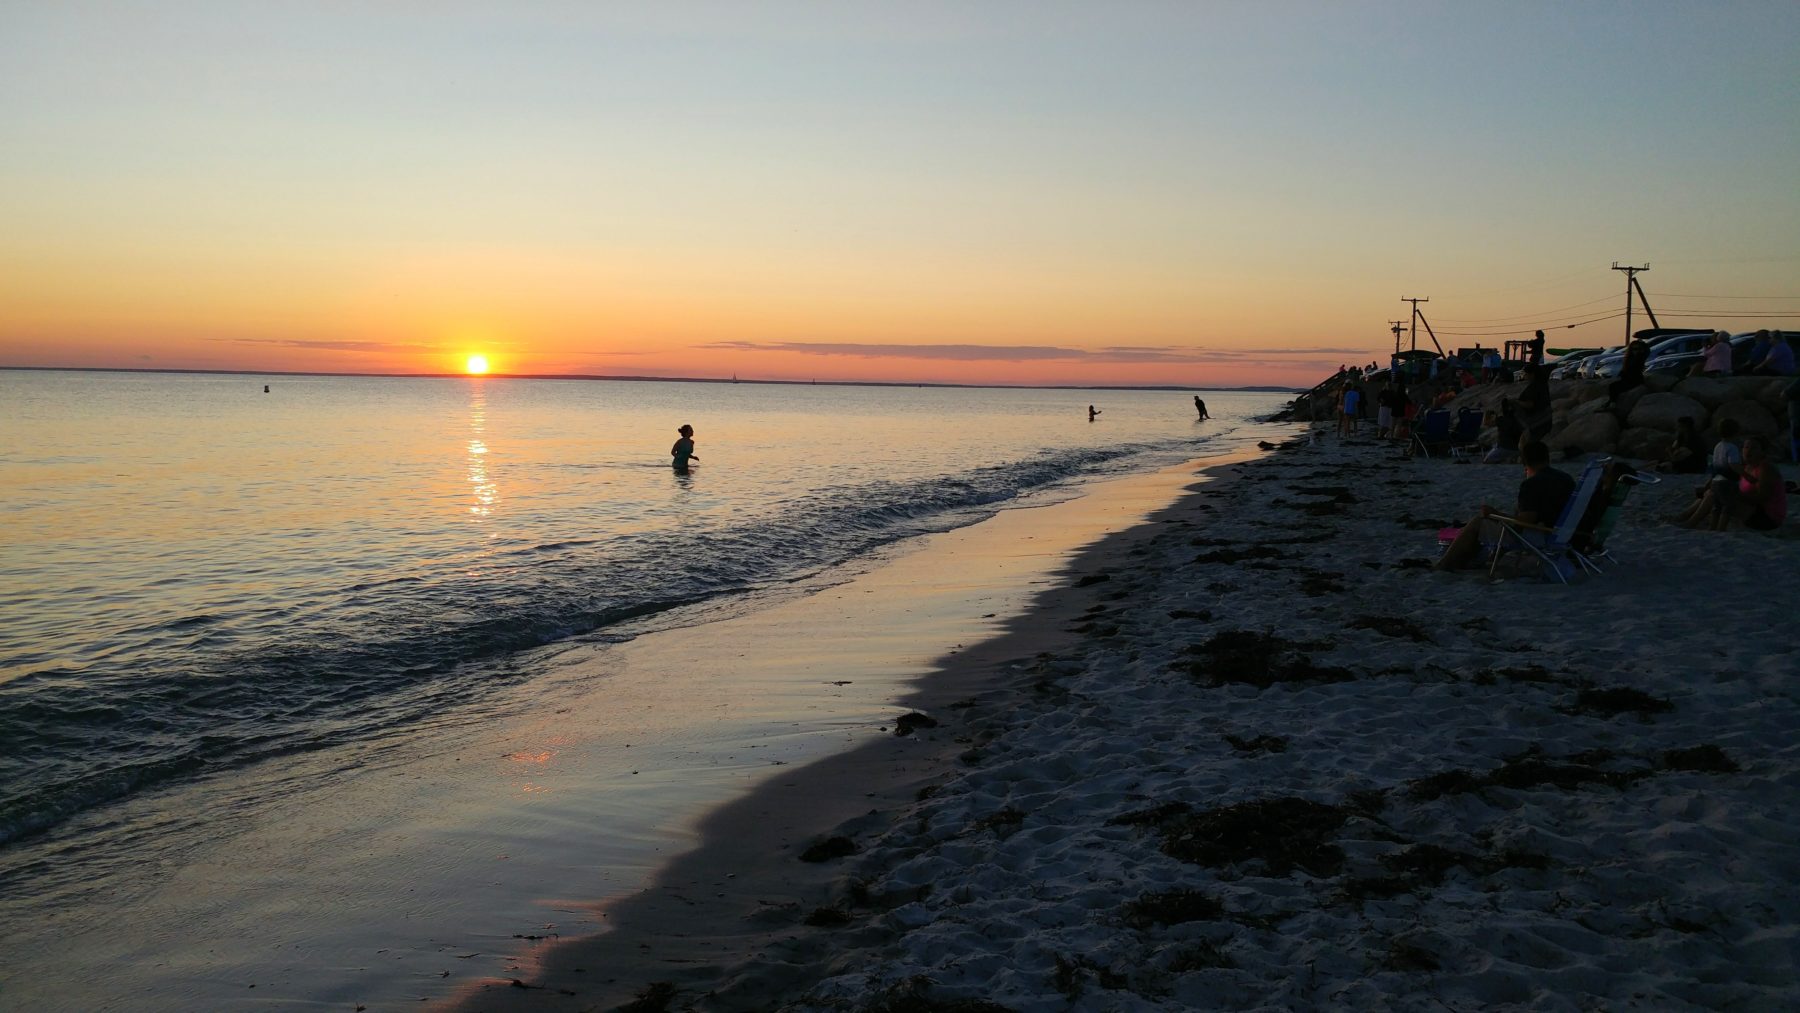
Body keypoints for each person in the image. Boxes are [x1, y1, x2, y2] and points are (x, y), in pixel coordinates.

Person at [1435, 440, 1577, 571]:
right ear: (1547, 458)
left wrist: (1495, 514)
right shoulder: (1566, 478)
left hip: (1540, 535)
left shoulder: (1531, 484)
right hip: (1564, 535)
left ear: (1525, 463)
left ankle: (1444, 565)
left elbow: (1526, 521)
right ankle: (1469, 561)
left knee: (1477, 523)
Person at [1679, 435, 1786, 531]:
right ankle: (1685, 517)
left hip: (1767, 517)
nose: (1748, 451)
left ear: (1763, 452)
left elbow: (1762, 498)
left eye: (1754, 448)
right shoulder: (1747, 467)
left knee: (1715, 494)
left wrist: (1735, 494)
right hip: (1751, 509)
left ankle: (1690, 522)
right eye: (1746, 447)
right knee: (1712, 491)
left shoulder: (1765, 468)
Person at [1513, 364, 1554, 443]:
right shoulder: (1542, 384)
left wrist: (1516, 401)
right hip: (1545, 420)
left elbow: (1530, 405)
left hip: (1537, 421)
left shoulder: (1535, 387)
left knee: (1531, 444)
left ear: (1532, 374)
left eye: (1525, 374)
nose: (1524, 375)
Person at [1603, 339, 1650, 408]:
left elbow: (1647, 351)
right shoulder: (1629, 359)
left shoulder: (1640, 358)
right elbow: (1625, 371)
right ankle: (1611, 402)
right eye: (1634, 349)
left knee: (1614, 387)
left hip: (1635, 381)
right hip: (1627, 380)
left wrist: (1642, 345)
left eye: (1638, 349)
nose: (1636, 351)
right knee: (1613, 386)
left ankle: (1612, 403)